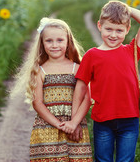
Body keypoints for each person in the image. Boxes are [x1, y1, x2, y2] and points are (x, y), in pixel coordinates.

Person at [62, 0, 140, 162]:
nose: (113, 35)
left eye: (119, 30)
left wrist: (125, 9)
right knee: (103, 160)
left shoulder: (132, 51)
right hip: (103, 121)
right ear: (99, 26)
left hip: (129, 120)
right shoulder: (92, 55)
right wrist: (74, 119)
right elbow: (81, 88)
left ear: (127, 30)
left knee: (125, 160)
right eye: (108, 29)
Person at [15, 17, 93, 162]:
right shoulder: (40, 71)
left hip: (74, 127)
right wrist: (60, 125)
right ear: (42, 43)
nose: (54, 45)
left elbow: (87, 98)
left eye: (60, 40)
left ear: (68, 41)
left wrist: (74, 123)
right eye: (49, 41)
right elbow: (37, 103)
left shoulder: (78, 68)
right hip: (47, 128)